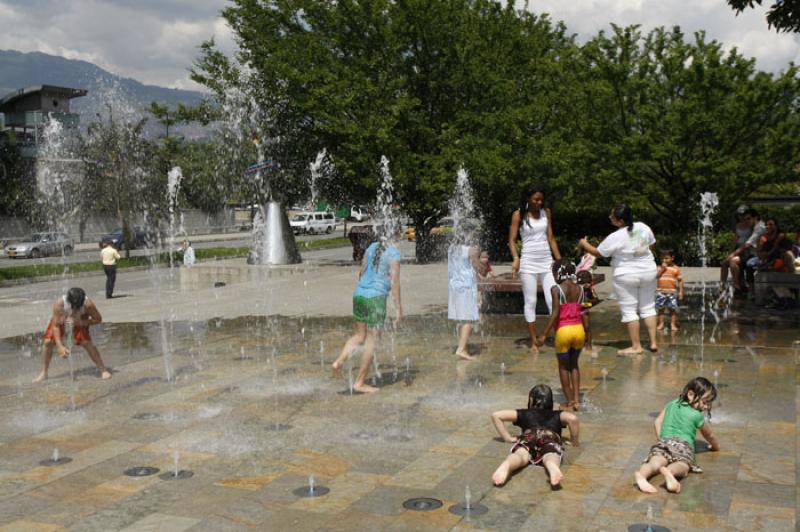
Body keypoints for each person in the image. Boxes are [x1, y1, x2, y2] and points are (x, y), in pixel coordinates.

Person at [579, 204, 658, 355]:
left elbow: (598, 253)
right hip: (648, 271)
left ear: (620, 221)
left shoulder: (615, 236)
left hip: (626, 275)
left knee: (629, 310)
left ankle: (636, 346)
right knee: (648, 307)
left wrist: (584, 244)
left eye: (612, 216)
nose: (609, 217)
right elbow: (651, 245)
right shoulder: (643, 227)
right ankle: (653, 343)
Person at [331, 237, 402, 393]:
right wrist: (398, 308)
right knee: (373, 340)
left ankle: (338, 362)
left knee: (359, 335)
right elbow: (395, 282)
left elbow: (362, 271)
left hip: (359, 295)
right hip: (375, 298)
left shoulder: (372, 247)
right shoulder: (394, 253)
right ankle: (360, 382)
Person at [634, 377, 720, 494]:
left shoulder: (672, 403)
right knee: (683, 465)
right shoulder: (696, 415)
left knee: (654, 463)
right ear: (690, 394)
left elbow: (657, 422)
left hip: (664, 442)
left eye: (709, 404)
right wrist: (715, 447)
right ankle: (669, 472)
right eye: (705, 402)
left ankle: (642, 475)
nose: (706, 407)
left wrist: (662, 439)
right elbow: (710, 435)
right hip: (683, 446)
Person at [490, 384, 579, 488]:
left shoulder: (524, 413)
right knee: (550, 455)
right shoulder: (557, 414)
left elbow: (496, 415)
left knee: (521, 455)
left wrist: (507, 438)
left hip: (529, 436)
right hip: (549, 437)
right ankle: (552, 467)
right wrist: (574, 441)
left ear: (531, 400)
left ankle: (507, 465)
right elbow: (573, 419)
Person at [508, 184, 561, 354]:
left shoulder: (547, 213)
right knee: (530, 301)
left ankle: (557, 335)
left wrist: (559, 260)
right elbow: (512, 240)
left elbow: (551, 237)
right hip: (528, 262)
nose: (539, 202)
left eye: (541, 199)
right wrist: (516, 258)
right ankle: (533, 341)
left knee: (553, 300)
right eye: (535, 199)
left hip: (546, 261)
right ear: (528, 198)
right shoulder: (519, 215)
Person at [32, 287, 111, 383]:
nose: (75, 309)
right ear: (68, 301)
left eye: (78, 306)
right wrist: (60, 346)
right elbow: (56, 326)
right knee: (48, 342)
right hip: (62, 318)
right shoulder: (60, 304)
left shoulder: (88, 304)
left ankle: (103, 369)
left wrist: (80, 322)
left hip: (80, 320)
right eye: (73, 306)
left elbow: (98, 319)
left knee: (86, 342)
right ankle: (44, 372)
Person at [536, 261, 585, 410]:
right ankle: (577, 400)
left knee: (563, 367)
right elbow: (583, 312)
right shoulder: (580, 289)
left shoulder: (556, 289)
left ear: (559, 273)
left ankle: (569, 401)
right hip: (578, 330)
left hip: (564, 331)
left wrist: (544, 334)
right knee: (574, 365)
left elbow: (556, 312)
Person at [448, 229, 481, 360]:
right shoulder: (470, 250)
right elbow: (477, 266)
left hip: (455, 286)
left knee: (462, 318)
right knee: (470, 318)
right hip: (467, 286)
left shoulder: (451, 249)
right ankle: (461, 349)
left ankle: (463, 345)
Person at [726, 209, 766, 294]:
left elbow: (748, 244)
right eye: (745, 219)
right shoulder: (755, 226)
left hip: (758, 256)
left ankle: (740, 287)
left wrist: (732, 253)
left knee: (741, 262)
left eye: (749, 218)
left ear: (755, 217)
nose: (747, 221)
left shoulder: (760, 228)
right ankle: (739, 286)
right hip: (751, 254)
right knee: (734, 261)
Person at [719, 205, 752, 290]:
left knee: (733, 262)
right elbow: (736, 238)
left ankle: (736, 284)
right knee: (724, 263)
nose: (741, 217)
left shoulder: (751, 225)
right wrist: (730, 252)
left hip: (747, 251)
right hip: (738, 249)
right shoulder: (738, 225)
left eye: (742, 214)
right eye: (739, 215)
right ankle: (722, 285)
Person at [656, 249, 685, 331]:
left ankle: (673, 324)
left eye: (666, 258)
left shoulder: (676, 268)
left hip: (672, 292)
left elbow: (680, 281)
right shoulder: (659, 267)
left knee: (672, 309)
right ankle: (661, 323)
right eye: (662, 258)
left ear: (672, 258)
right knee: (660, 309)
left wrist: (681, 292)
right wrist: (662, 269)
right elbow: (656, 276)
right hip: (661, 292)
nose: (664, 260)